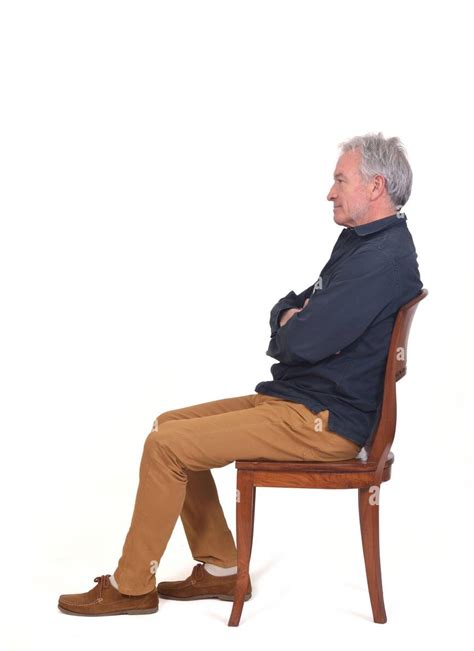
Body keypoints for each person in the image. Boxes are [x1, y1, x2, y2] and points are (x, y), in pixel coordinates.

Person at [58, 132, 423, 616]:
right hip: (300, 400)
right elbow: (295, 308)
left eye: (340, 179)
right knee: (168, 425)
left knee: (166, 448)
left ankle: (131, 588)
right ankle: (223, 569)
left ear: (375, 187)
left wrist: (298, 324)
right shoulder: (360, 243)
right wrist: (294, 318)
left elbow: (307, 338)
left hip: (324, 421)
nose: (330, 191)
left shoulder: (382, 259)